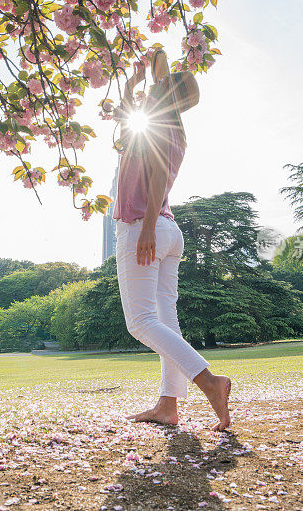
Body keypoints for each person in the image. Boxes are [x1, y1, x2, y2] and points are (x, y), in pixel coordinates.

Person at [112, 49, 231, 430]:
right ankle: (168, 405)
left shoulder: (159, 124)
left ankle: (210, 382)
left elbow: (160, 174)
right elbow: (124, 116)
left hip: (143, 227)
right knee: (167, 322)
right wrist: (135, 83)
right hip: (169, 232)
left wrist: (145, 226)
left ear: (166, 93)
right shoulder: (172, 126)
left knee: (142, 323)